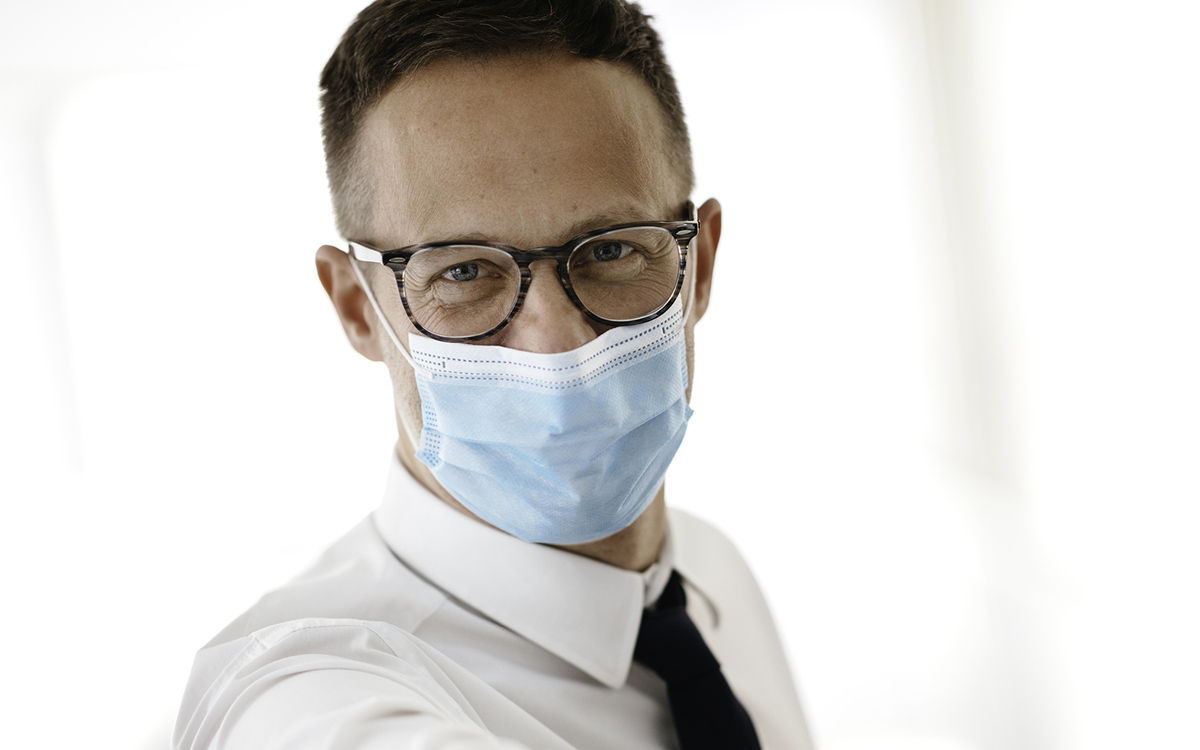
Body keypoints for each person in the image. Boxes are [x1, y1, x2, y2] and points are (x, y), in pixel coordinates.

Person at [173, 1, 812, 748]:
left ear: (697, 264)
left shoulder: (709, 574)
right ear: (357, 307)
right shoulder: (310, 702)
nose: (556, 343)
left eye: (610, 251)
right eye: (465, 270)